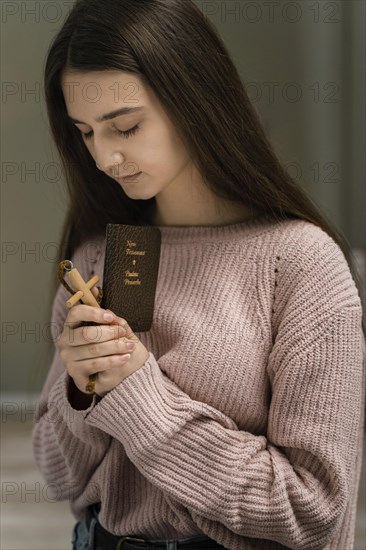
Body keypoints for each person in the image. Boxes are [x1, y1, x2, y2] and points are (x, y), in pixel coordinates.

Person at [32, 1, 365, 549]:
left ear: (194, 100)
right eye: (86, 133)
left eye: (126, 126)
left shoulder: (301, 264)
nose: (106, 158)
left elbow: (310, 509)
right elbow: (58, 474)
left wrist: (136, 392)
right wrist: (84, 390)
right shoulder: (99, 259)